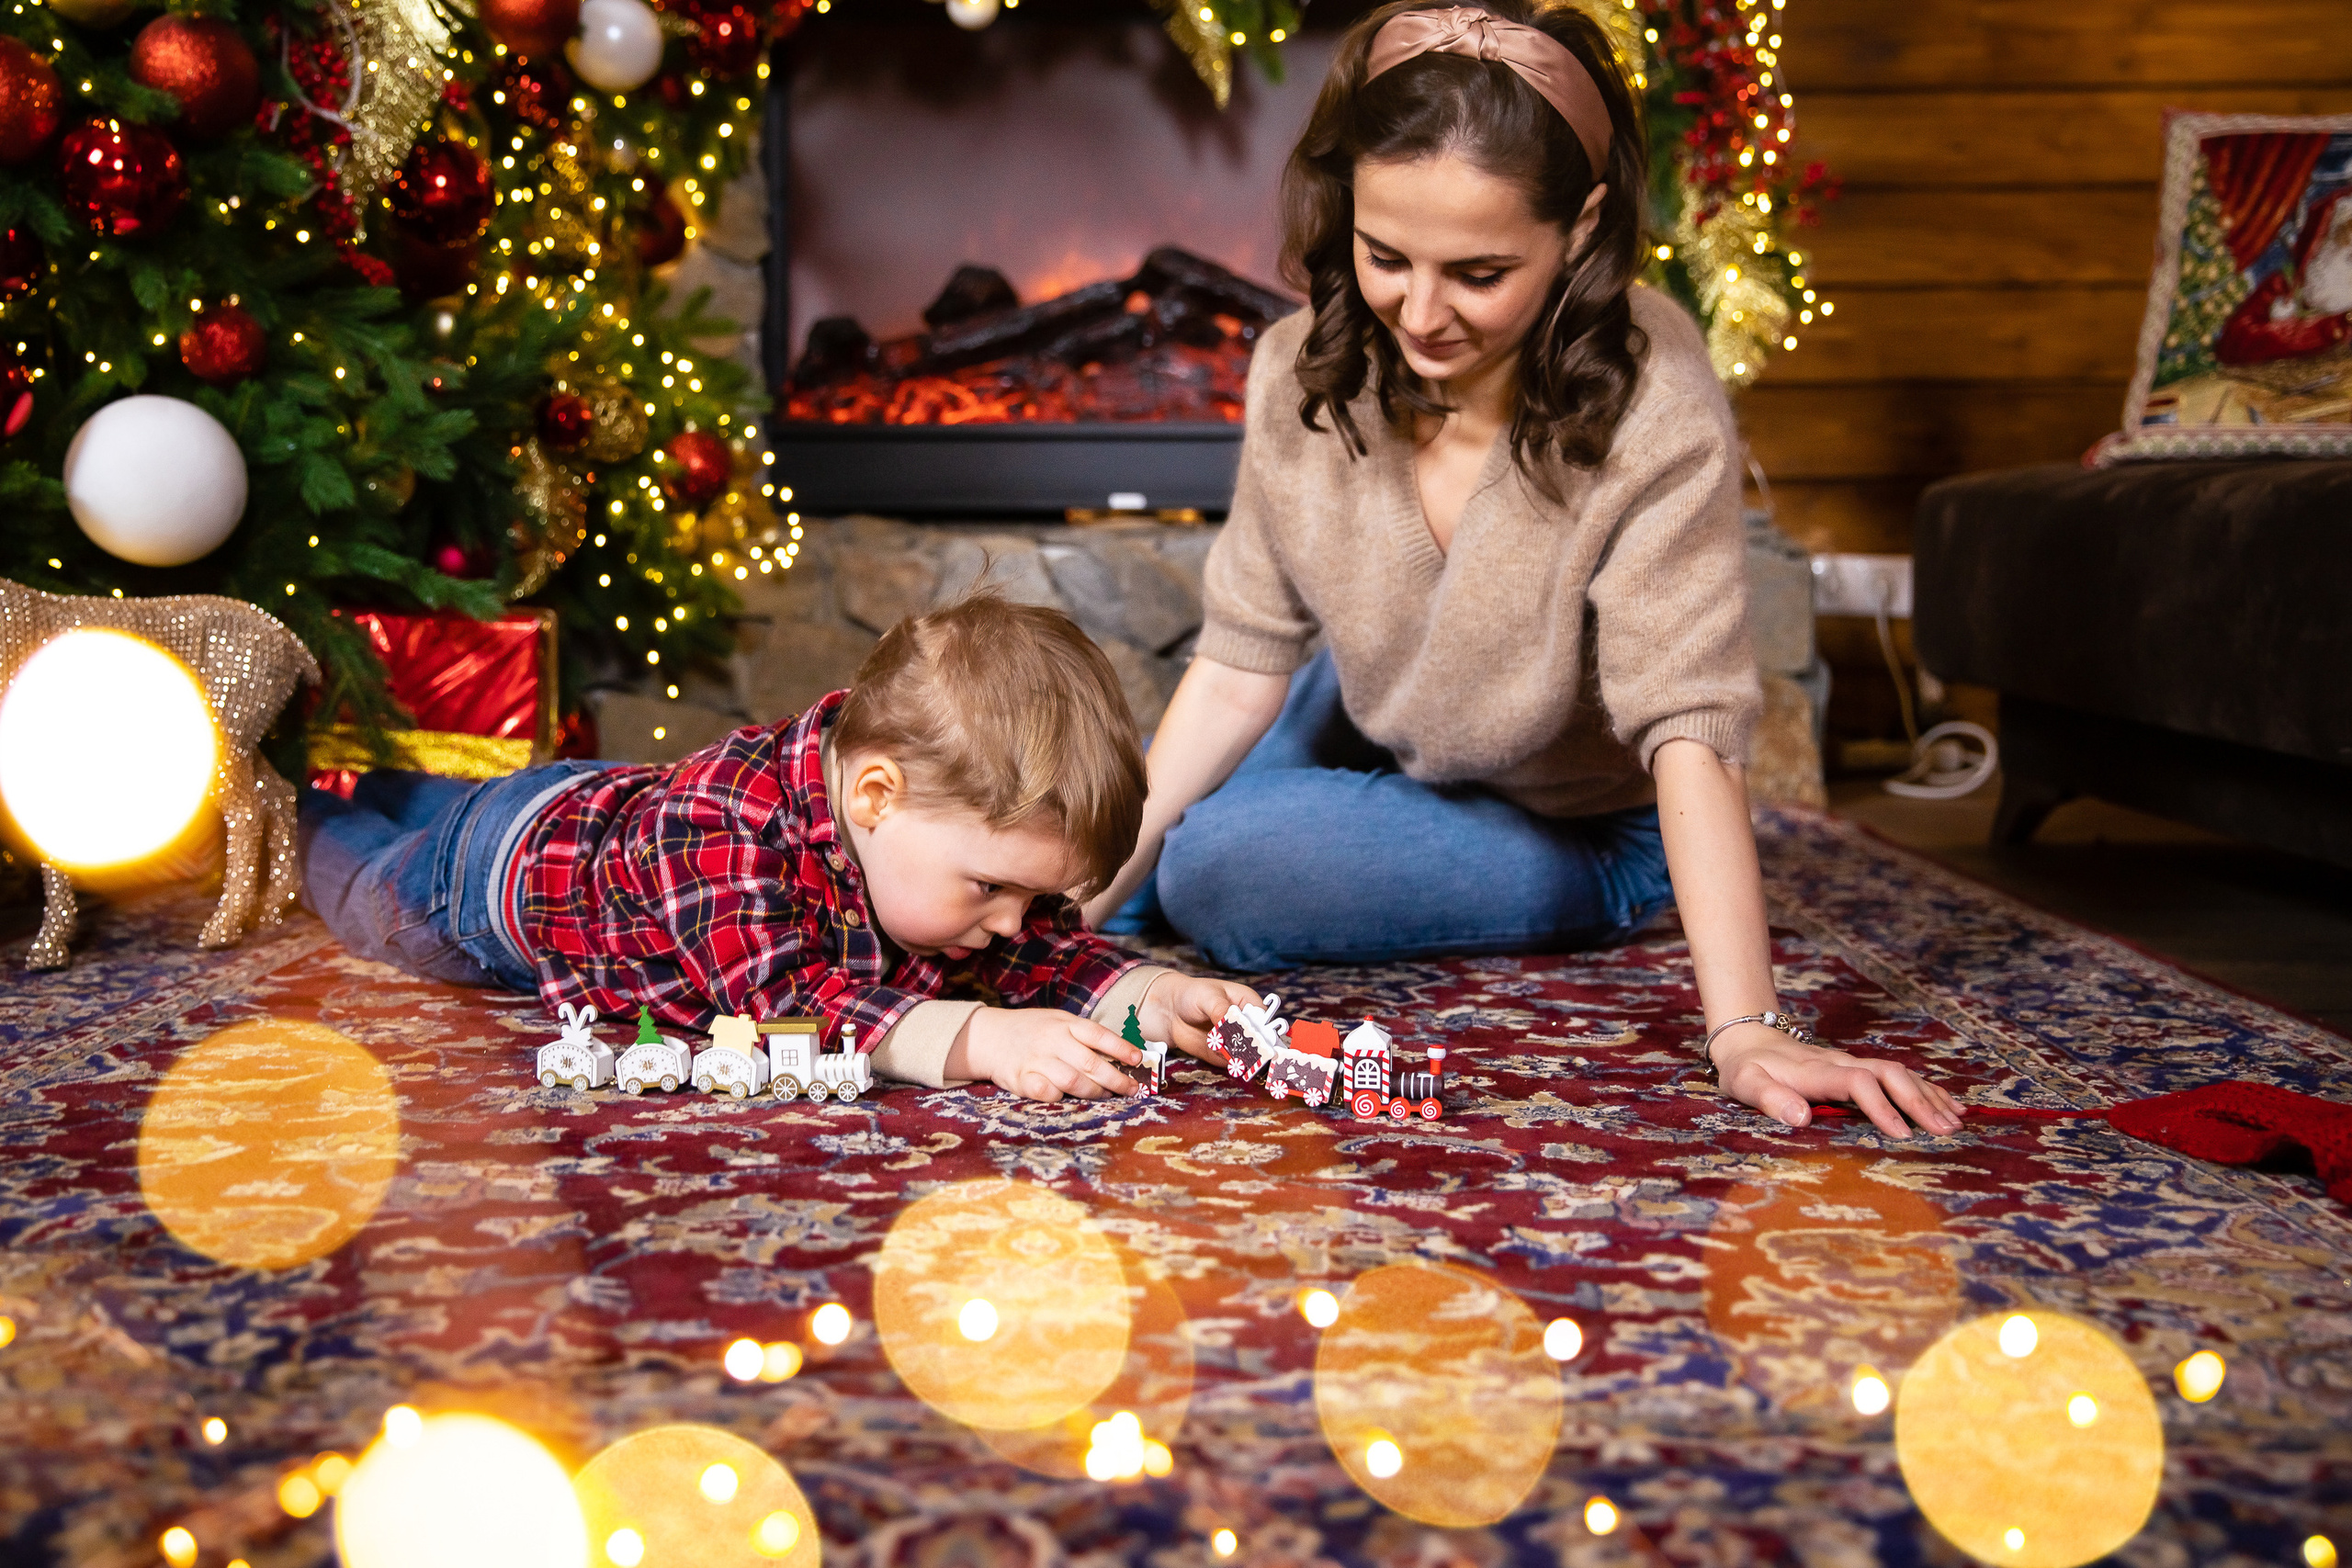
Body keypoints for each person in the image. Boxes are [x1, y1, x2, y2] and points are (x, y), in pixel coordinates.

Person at [1083, 1, 1963, 1141]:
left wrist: (1744, 1026)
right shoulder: (1294, 370)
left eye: (1480, 272)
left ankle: (1562, 889)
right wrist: (1059, 906)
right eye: (1385, 255)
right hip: (1391, 704)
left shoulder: (1655, 404)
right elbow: (1243, 662)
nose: (1422, 313)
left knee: (1219, 870)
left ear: (1581, 229)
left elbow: (1687, 731)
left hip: (1586, 817)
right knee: (1079, 851)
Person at [299, 595, 1263, 1102]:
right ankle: (292, 804)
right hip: (493, 884)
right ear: (877, 795)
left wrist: (1154, 998)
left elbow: (1042, 950)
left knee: (431, 793)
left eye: (1029, 896)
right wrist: (980, 1040)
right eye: (991, 889)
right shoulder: (724, 834)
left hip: (587, 796)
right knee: (364, 878)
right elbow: (784, 1006)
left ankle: (392, 781)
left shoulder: (944, 848)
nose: (1010, 923)